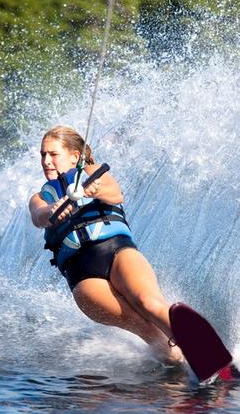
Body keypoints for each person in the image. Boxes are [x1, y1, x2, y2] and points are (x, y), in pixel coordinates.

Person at [29, 125, 183, 365]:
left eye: (53, 154)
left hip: (116, 252)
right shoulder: (39, 198)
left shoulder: (92, 172)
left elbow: (115, 194)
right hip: (82, 276)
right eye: (42, 154)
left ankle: (200, 350)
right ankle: (181, 368)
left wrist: (93, 189)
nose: (46, 160)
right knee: (145, 328)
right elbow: (39, 216)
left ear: (74, 157)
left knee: (149, 303)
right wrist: (55, 210)